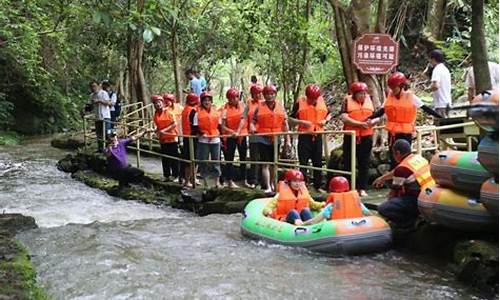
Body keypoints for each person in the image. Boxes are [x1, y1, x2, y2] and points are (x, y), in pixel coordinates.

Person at [368, 72, 442, 168]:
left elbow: (426, 108)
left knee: (405, 158)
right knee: (393, 157)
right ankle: (394, 178)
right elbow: (381, 111)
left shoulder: (411, 97)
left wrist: (440, 117)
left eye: (394, 88)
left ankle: (405, 178)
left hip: (405, 133)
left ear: (401, 86)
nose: (392, 90)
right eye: (391, 88)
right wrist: (369, 118)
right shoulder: (389, 97)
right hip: (393, 134)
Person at [372, 139, 436, 228]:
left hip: (418, 200)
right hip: (430, 195)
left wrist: (389, 205)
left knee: (383, 209)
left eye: (393, 153)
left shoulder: (402, 169)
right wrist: (382, 178)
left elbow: (393, 194)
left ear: (397, 153)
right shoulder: (418, 158)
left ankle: (409, 222)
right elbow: (398, 170)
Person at [250, 85, 291, 194]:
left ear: (275, 95)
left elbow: (285, 124)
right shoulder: (259, 107)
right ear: (264, 95)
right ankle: (267, 186)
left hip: (276, 137)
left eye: (272, 94)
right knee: (265, 164)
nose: (270, 96)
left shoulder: (280, 107)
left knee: (274, 163)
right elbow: (253, 121)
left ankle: (273, 184)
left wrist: (288, 140)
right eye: (267, 94)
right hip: (262, 137)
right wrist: (252, 127)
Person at [340, 82, 379, 197]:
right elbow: (344, 117)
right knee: (348, 162)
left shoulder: (370, 99)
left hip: (366, 136)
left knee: (364, 162)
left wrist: (372, 122)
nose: (362, 96)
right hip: (351, 136)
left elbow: (378, 116)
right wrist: (358, 124)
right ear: (354, 94)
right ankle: (348, 187)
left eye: (363, 93)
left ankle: (362, 188)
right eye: (359, 94)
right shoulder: (347, 101)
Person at [289, 84, 329, 192]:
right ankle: (302, 184)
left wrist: (325, 121)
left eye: (315, 98)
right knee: (303, 162)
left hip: (318, 135)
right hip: (304, 136)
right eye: (311, 98)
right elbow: (290, 119)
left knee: (318, 162)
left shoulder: (322, 102)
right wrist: (301, 122)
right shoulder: (299, 103)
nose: (313, 100)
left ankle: (318, 185)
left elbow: (328, 114)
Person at [303, 176, 371, 225]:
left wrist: (303, 224)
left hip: (338, 231)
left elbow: (315, 221)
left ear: (331, 190)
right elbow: (368, 214)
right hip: (357, 227)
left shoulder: (332, 205)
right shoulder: (357, 202)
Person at [192, 92, 222, 188]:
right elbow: (195, 127)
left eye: (208, 100)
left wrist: (220, 136)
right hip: (203, 140)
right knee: (203, 161)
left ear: (211, 101)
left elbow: (219, 126)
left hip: (215, 140)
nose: (207, 102)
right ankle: (205, 182)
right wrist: (202, 134)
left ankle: (217, 182)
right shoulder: (197, 114)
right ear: (202, 102)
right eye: (205, 100)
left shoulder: (216, 112)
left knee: (216, 161)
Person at [221, 88, 248, 188]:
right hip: (230, 136)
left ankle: (244, 180)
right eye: (232, 98)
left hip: (242, 135)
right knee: (230, 158)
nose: (235, 99)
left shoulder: (243, 106)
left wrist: (238, 132)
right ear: (228, 99)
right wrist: (232, 132)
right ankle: (230, 180)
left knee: (243, 158)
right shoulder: (224, 110)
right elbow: (223, 126)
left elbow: (244, 119)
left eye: (236, 97)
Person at [153, 94, 179, 181]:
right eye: (156, 103)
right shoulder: (156, 114)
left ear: (162, 103)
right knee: (165, 158)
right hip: (163, 139)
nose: (158, 104)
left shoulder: (169, 112)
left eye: (159, 102)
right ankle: (166, 175)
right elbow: (158, 125)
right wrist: (156, 131)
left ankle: (175, 175)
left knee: (173, 158)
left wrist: (164, 130)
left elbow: (174, 123)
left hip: (171, 138)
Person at [245, 84, 264, 188]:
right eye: (256, 93)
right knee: (254, 159)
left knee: (265, 159)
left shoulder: (266, 104)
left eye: (260, 93)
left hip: (265, 134)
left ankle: (264, 181)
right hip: (253, 135)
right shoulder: (249, 105)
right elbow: (243, 118)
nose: (258, 95)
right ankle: (254, 181)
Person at [181, 93, 199, 188]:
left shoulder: (185, 109)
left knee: (188, 159)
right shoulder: (193, 111)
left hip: (186, 136)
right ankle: (189, 179)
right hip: (192, 138)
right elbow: (195, 126)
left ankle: (190, 179)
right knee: (192, 159)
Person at [89, 80, 112, 152]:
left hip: (105, 116)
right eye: (92, 87)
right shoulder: (91, 96)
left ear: (98, 86)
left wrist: (99, 101)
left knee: (107, 133)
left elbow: (109, 103)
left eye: (94, 86)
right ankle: (100, 149)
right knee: (99, 134)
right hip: (97, 117)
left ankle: (110, 149)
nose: (93, 88)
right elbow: (90, 107)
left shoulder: (103, 93)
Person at [428, 49, 452, 117]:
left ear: (433, 59)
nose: (430, 61)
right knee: (447, 124)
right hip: (447, 102)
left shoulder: (437, 70)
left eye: (430, 59)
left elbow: (436, 86)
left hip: (440, 104)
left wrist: (429, 88)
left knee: (441, 125)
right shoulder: (445, 69)